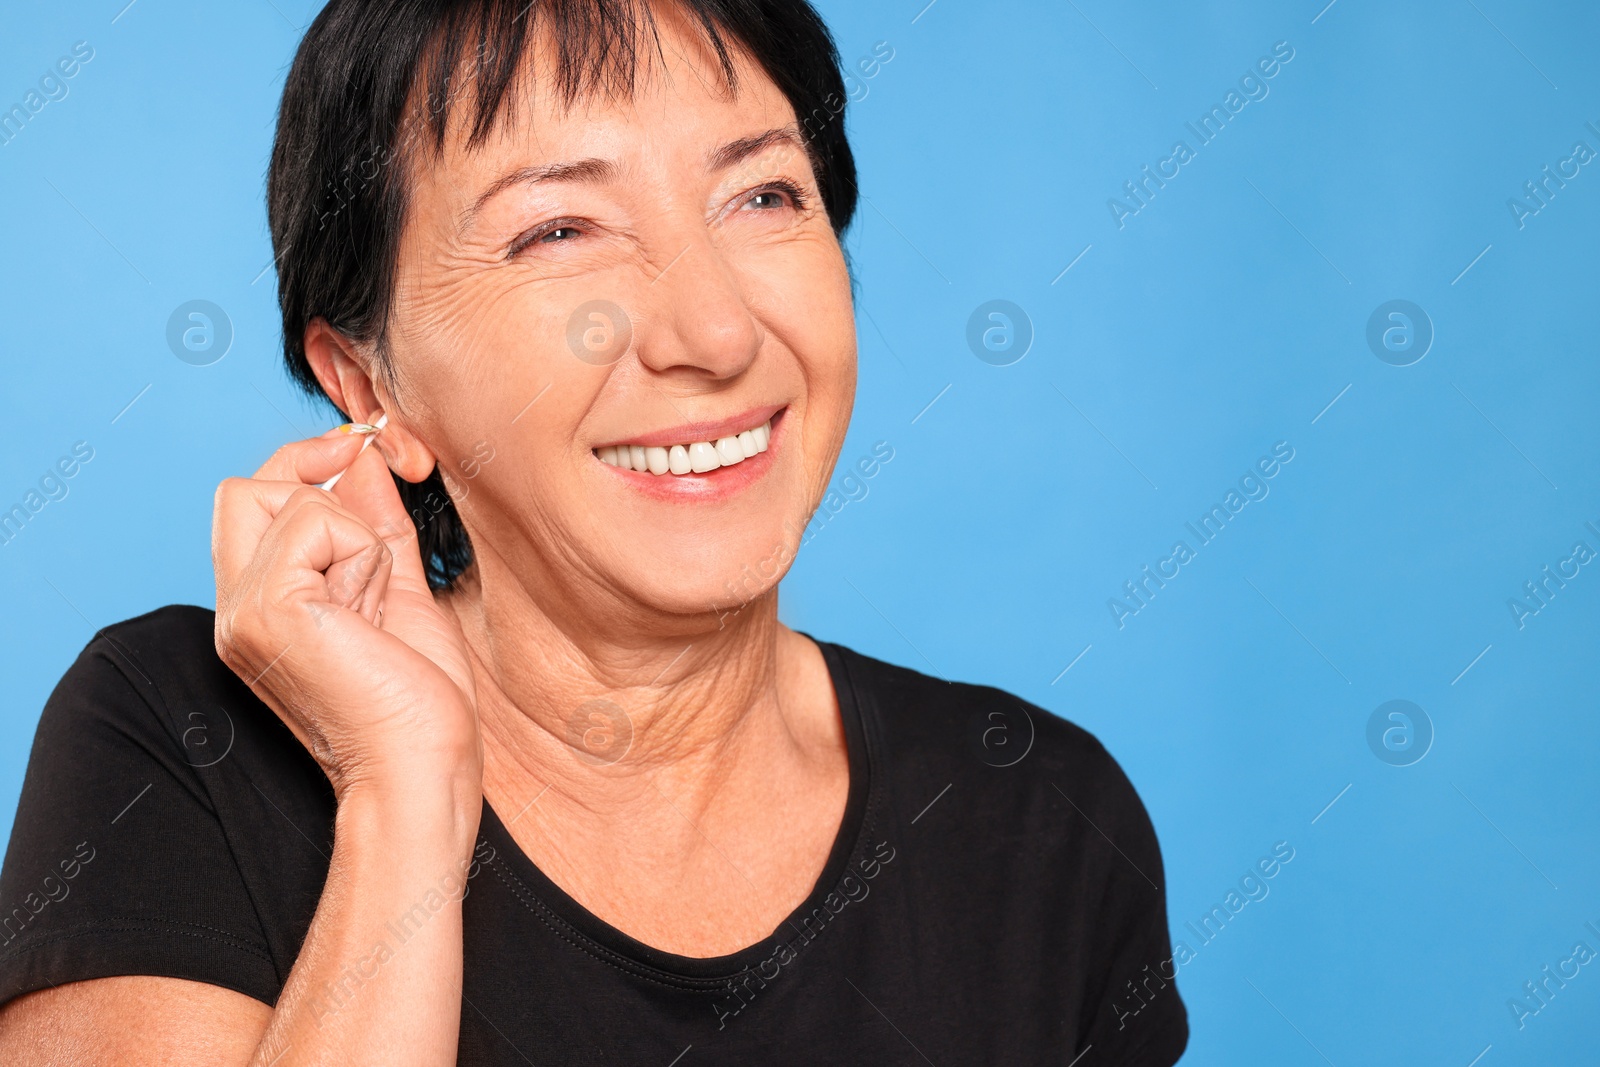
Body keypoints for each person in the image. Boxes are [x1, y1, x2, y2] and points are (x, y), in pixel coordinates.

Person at [0, 1, 1188, 1062]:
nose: (714, 331)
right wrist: (405, 797)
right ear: (368, 383)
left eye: (763, 194)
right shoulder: (177, 743)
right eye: (560, 229)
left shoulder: (1033, 812)